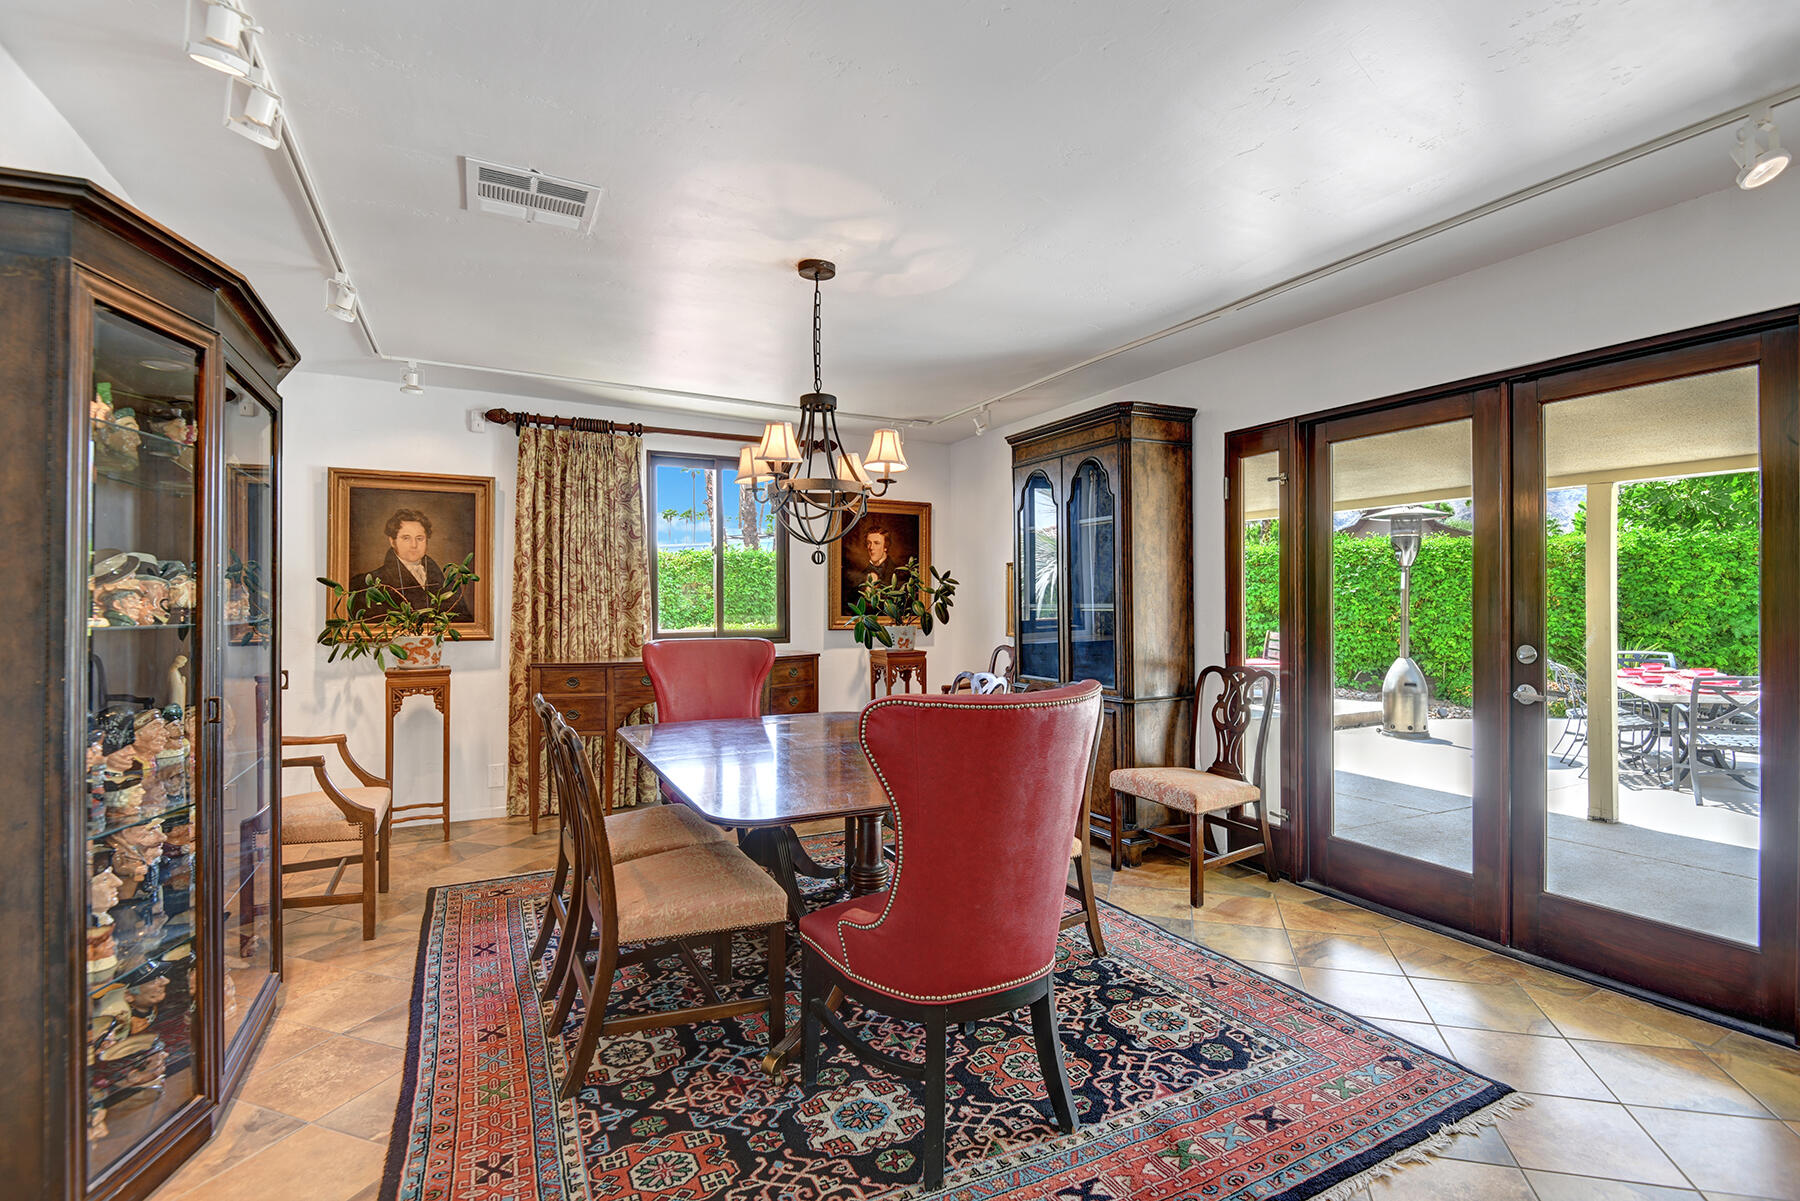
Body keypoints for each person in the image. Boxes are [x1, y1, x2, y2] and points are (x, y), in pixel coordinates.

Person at [355, 508, 472, 621]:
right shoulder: (366, 584)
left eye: (420, 538)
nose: (414, 545)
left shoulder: (448, 583)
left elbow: (464, 623)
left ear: (427, 541)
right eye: (406, 538)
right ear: (392, 541)